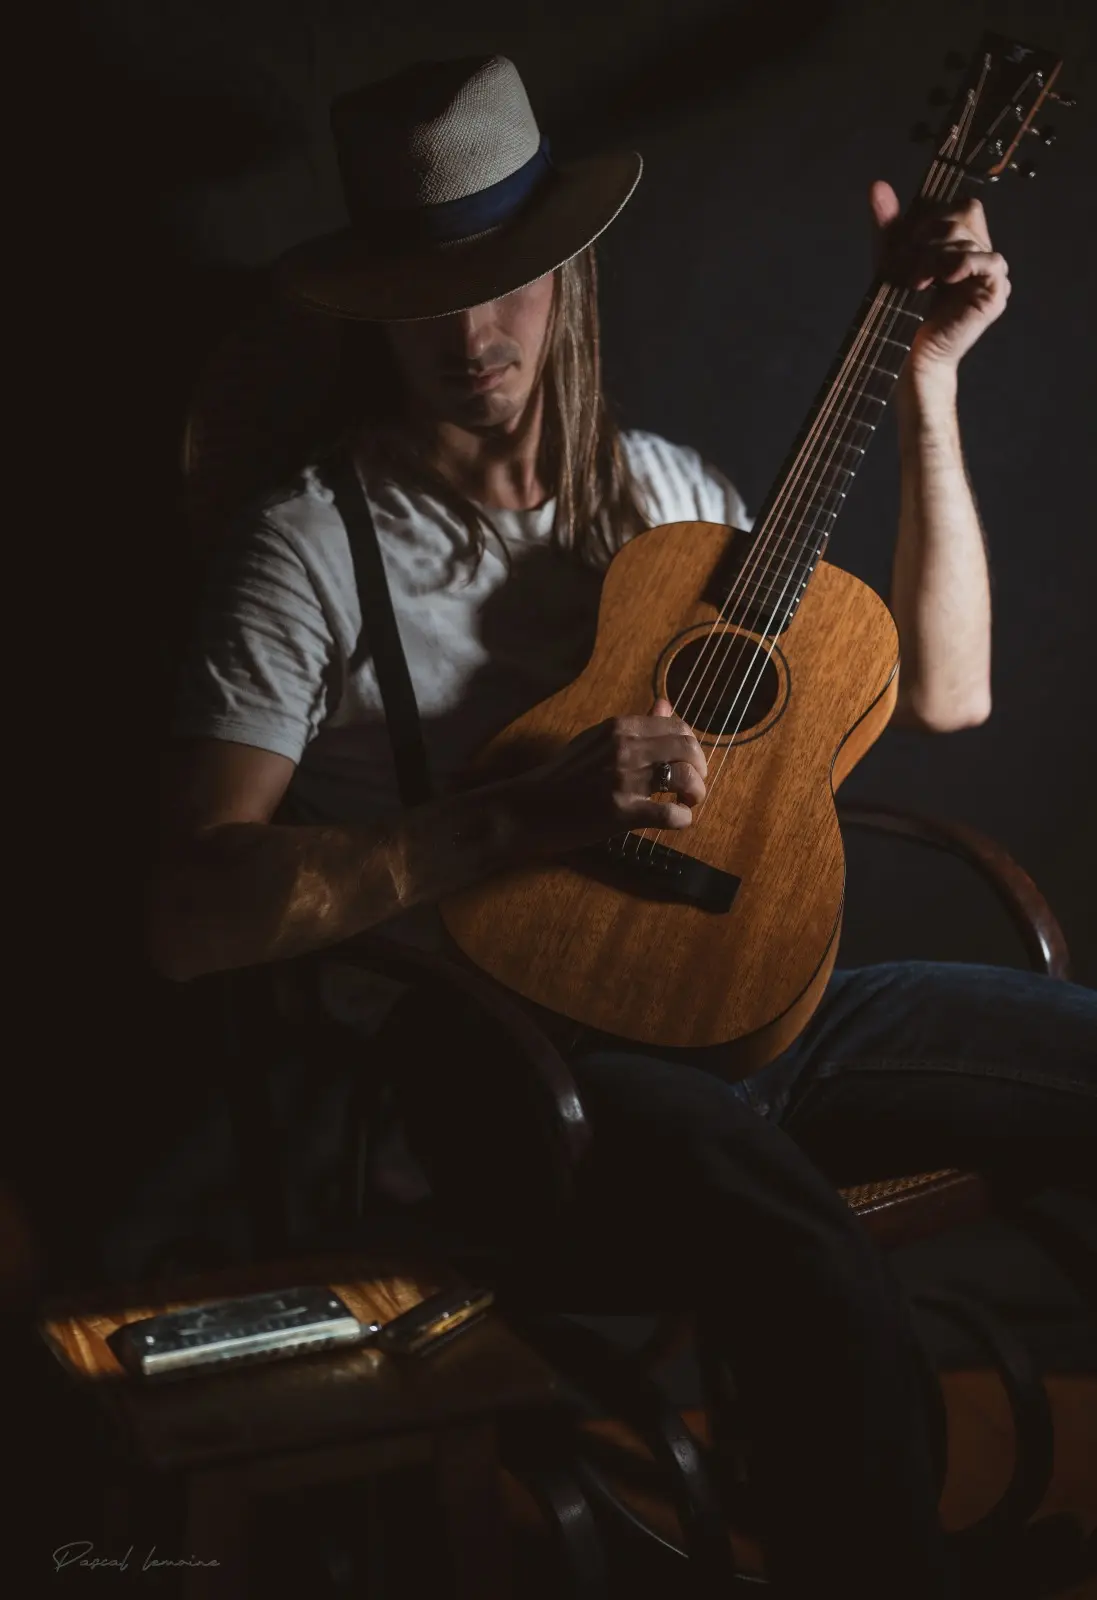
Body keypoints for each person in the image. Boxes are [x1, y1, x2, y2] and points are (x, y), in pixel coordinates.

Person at [149, 55, 1097, 1600]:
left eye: (506, 282)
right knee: (794, 1243)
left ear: (565, 268)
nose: (471, 337)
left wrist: (923, 377)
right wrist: (521, 814)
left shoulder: (670, 497)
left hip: (752, 1009)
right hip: (512, 1074)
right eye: (425, 292)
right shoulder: (309, 549)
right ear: (369, 299)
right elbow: (189, 918)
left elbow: (951, 690)